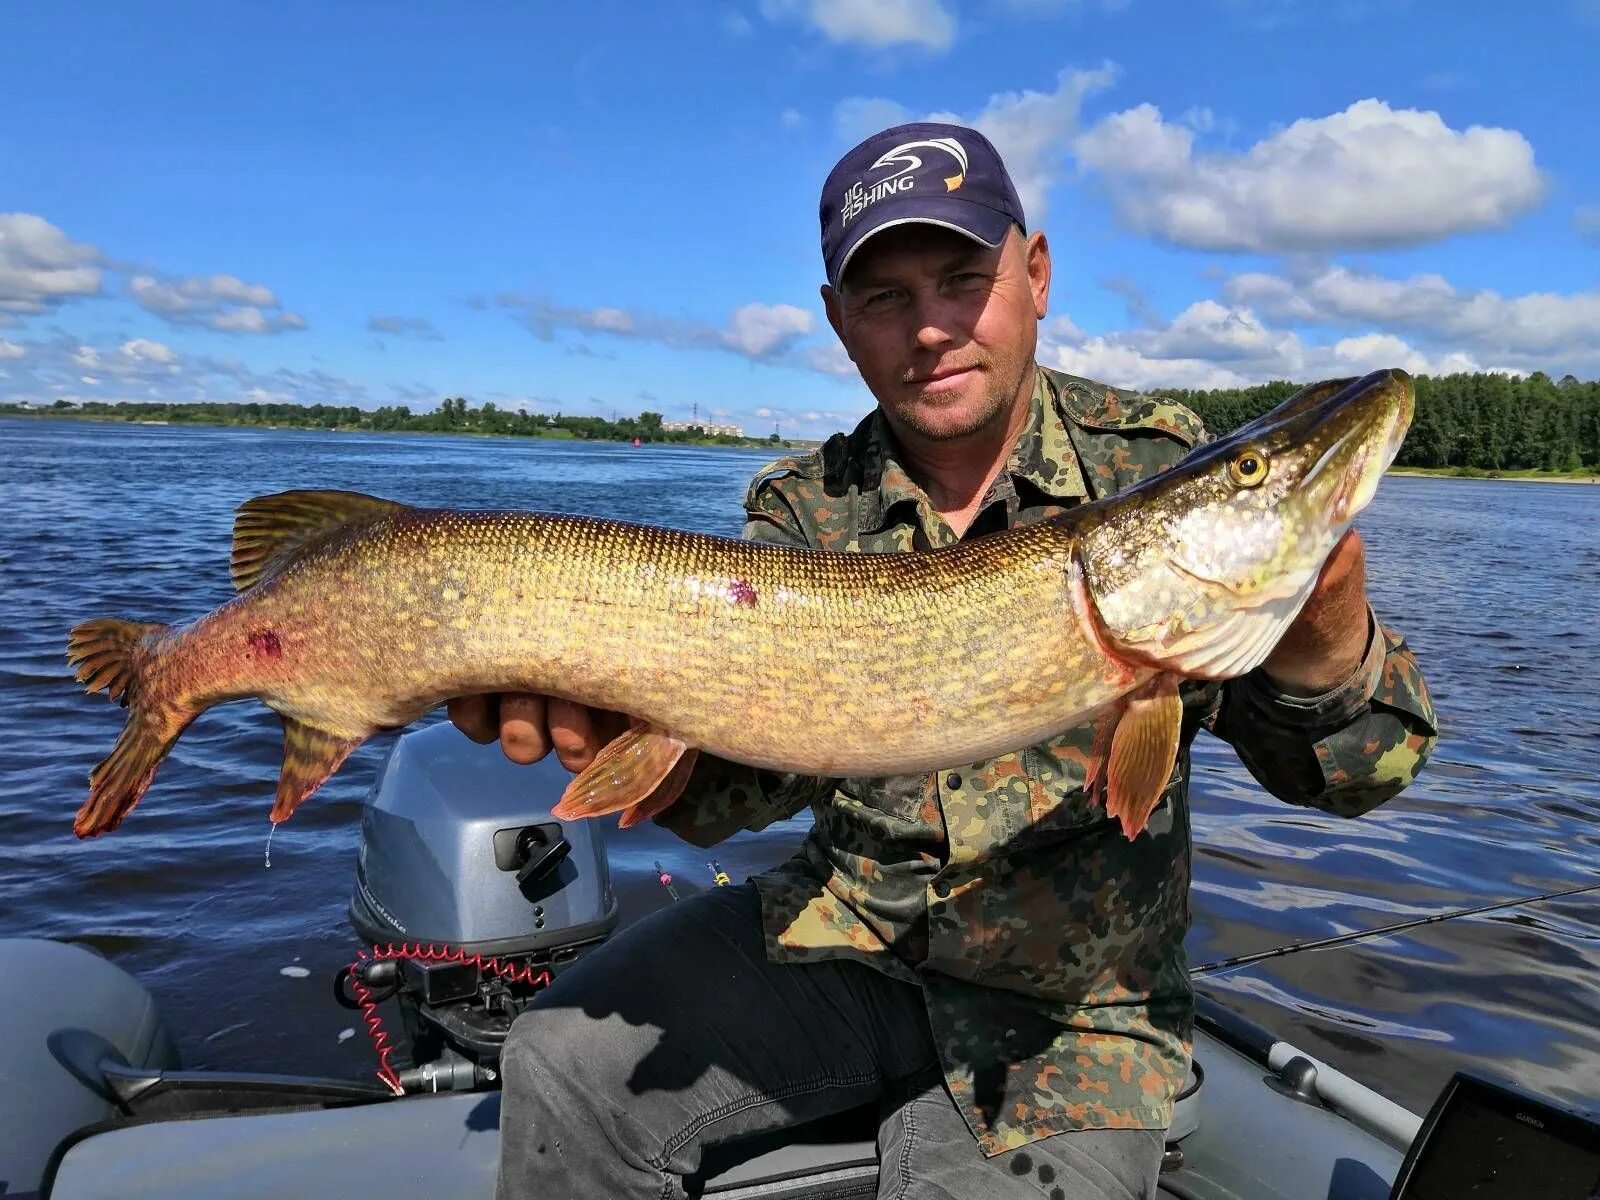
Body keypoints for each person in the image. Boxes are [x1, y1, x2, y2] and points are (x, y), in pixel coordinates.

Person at [453, 122, 1439, 1200]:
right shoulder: (802, 506)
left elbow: (1354, 786)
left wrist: (1324, 632)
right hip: (843, 940)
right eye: (883, 298)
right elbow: (747, 784)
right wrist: (634, 734)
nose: (929, 328)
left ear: (1035, 274)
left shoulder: (1147, 471)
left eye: (963, 278)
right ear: (839, 322)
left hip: (1074, 1015)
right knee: (556, 1058)